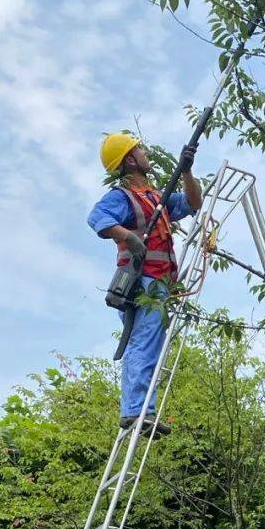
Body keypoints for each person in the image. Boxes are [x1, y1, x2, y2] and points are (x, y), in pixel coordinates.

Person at [88, 133, 203, 435]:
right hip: (142, 282)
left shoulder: (157, 198)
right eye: (139, 149)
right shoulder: (121, 197)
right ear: (129, 160)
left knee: (150, 344)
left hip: (161, 282)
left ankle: (142, 410)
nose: (145, 152)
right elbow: (96, 218)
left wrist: (187, 170)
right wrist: (128, 236)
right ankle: (136, 411)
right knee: (142, 341)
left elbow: (194, 202)